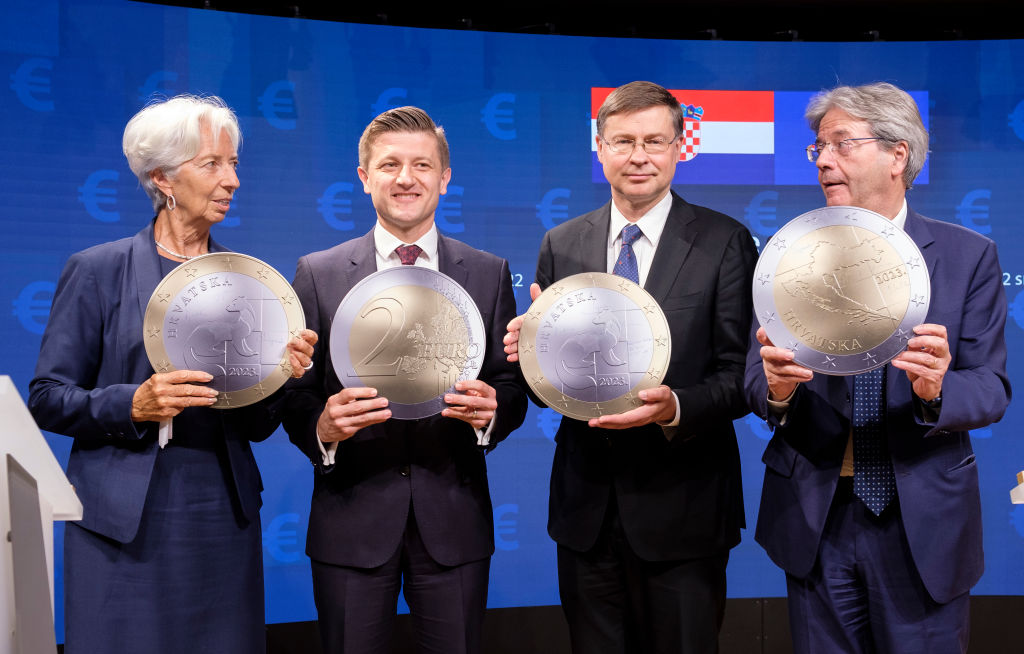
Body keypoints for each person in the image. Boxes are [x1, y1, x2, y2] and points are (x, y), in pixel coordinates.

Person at [28, 95, 317, 653]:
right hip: (121, 521)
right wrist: (131, 403)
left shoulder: (248, 283)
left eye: (234, 164)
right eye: (212, 164)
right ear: (161, 177)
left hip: (220, 513)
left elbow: (256, 425)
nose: (231, 180)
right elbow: (47, 395)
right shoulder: (97, 270)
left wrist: (281, 374)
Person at [745, 82, 1011, 653]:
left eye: (842, 144)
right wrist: (776, 390)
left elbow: (991, 388)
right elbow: (753, 379)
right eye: (817, 147)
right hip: (817, 518)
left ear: (898, 155)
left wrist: (934, 389)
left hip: (924, 524)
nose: (823, 161)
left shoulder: (968, 256)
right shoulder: (790, 254)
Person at [504, 81, 758, 653]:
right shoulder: (561, 244)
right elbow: (550, 390)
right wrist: (530, 359)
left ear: (678, 146)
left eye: (653, 141)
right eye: (623, 141)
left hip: (685, 511)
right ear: (599, 148)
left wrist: (677, 407)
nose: (639, 155)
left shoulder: (726, 241)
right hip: (586, 512)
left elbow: (741, 376)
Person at [283, 106, 527, 654]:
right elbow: (293, 392)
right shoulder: (318, 274)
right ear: (364, 176)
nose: (405, 178)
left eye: (422, 164)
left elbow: (510, 386)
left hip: (454, 521)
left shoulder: (486, 273)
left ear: (444, 177)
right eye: (389, 165)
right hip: (351, 521)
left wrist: (495, 412)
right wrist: (321, 425)